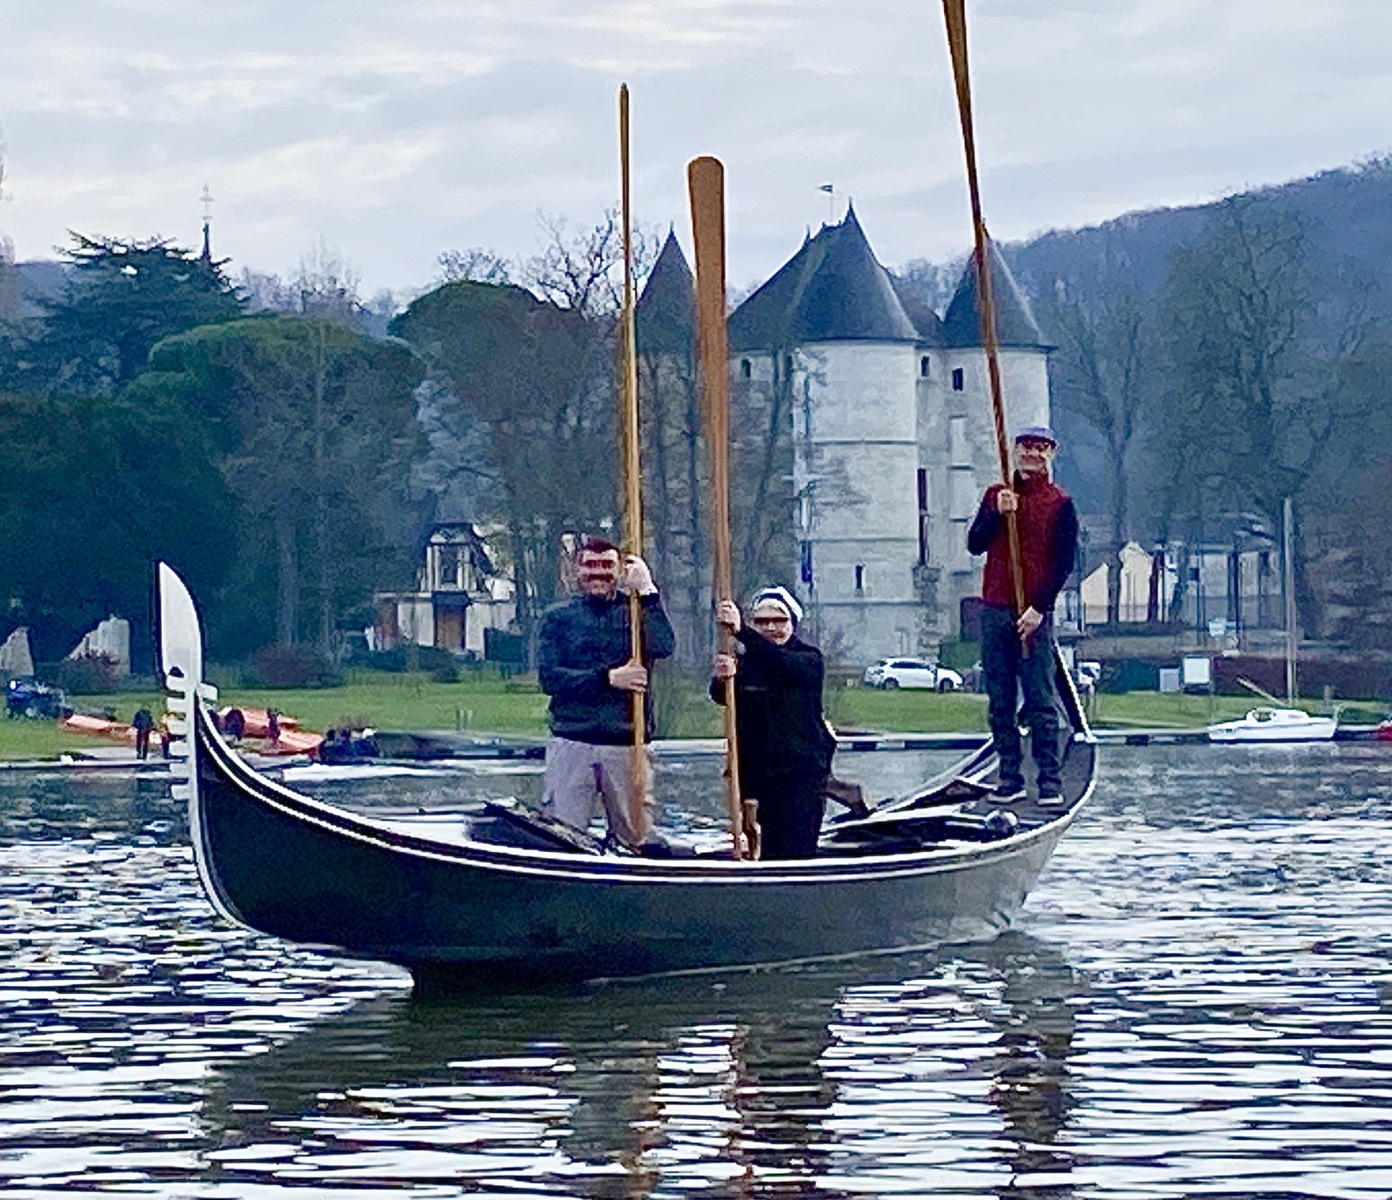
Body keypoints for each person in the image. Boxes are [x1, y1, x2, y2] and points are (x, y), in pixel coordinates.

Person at [536, 536, 675, 848]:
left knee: (634, 838)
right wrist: (607, 678)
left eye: (606, 565)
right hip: (572, 740)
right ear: (577, 571)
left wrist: (649, 592)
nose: (598, 573)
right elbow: (550, 679)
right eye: (590, 565)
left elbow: (664, 646)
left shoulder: (637, 610)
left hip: (627, 743)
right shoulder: (557, 618)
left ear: (619, 570)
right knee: (561, 835)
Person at [967, 425, 1079, 808]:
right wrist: (996, 515)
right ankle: (1009, 776)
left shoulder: (1060, 503)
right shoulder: (997, 496)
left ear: (1052, 454)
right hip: (996, 607)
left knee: (1040, 699)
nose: (1032, 454)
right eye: (1026, 448)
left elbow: (1064, 561)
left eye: (1041, 449)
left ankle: (1049, 779)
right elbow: (974, 543)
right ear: (1015, 453)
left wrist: (1039, 609)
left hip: (1034, 612)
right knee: (999, 699)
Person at [711, 587, 836, 859]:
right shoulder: (746, 663)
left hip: (799, 774)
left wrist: (743, 631)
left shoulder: (808, 659)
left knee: (796, 849)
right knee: (759, 846)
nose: (770, 628)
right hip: (756, 775)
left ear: (793, 623)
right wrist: (722, 677)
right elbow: (722, 697)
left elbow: (780, 664)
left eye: (779, 621)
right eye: (762, 622)